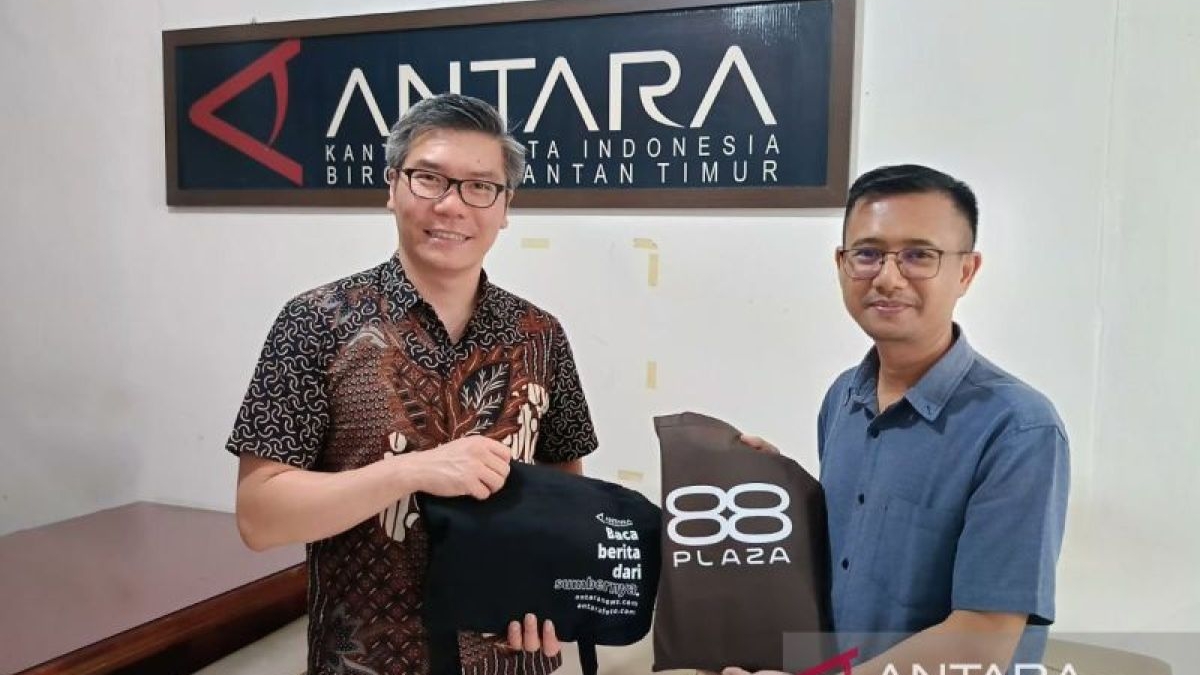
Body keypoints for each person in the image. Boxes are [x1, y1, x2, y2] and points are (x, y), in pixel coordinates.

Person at [226, 93, 598, 675]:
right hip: (365, 661)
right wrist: (412, 471)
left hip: (510, 661)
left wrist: (551, 590)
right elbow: (260, 516)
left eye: (481, 187)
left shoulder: (540, 334)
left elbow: (563, 498)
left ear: (505, 207)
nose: (451, 205)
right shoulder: (315, 322)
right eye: (429, 179)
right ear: (393, 186)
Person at [731, 164, 1070, 675]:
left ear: (966, 271)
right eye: (867, 254)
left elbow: (983, 639)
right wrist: (779, 491)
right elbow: (848, 569)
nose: (888, 278)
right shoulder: (843, 397)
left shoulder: (1019, 428)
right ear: (841, 264)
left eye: (918, 255)